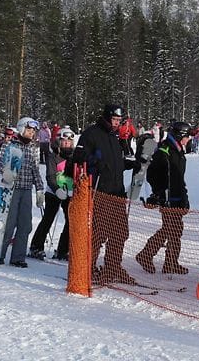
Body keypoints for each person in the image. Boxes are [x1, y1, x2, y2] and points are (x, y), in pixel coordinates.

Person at [73, 104, 141, 284]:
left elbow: (115, 163)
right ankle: (88, 268)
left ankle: (112, 267)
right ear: (106, 117)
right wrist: (95, 162)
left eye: (120, 120)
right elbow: (78, 156)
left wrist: (129, 164)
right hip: (100, 192)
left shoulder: (115, 136)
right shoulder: (92, 134)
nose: (118, 123)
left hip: (117, 192)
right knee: (99, 233)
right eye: (115, 120)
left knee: (120, 232)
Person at [136, 121, 192, 275]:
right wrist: (159, 193)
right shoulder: (164, 150)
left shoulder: (179, 150)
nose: (189, 139)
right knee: (170, 229)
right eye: (187, 136)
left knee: (175, 230)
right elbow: (153, 175)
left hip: (177, 196)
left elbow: (179, 178)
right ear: (180, 136)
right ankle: (146, 255)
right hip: (167, 198)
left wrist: (184, 197)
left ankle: (171, 262)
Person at [0, 117, 44, 267]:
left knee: (25, 225)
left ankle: (18, 257)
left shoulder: (32, 148)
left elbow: (35, 170)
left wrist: (40, 188)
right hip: (11, 190)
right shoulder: (9, 146)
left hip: (26, 190)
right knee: (9, 224)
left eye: (33, 131)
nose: (32, 133)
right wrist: (4, 174)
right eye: (29, 130)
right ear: (22, 129)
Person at [29, 127, 76, 261]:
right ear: (59, 141)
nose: (67, 143)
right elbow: (50, 176)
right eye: (64, 141)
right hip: (54, 192)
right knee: (48, 218)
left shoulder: (74, 156)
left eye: (69, 142)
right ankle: (36, 246)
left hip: (69, 192)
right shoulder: (53, 156)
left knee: (70, 221)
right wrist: (56, 190)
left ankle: (62, 250)